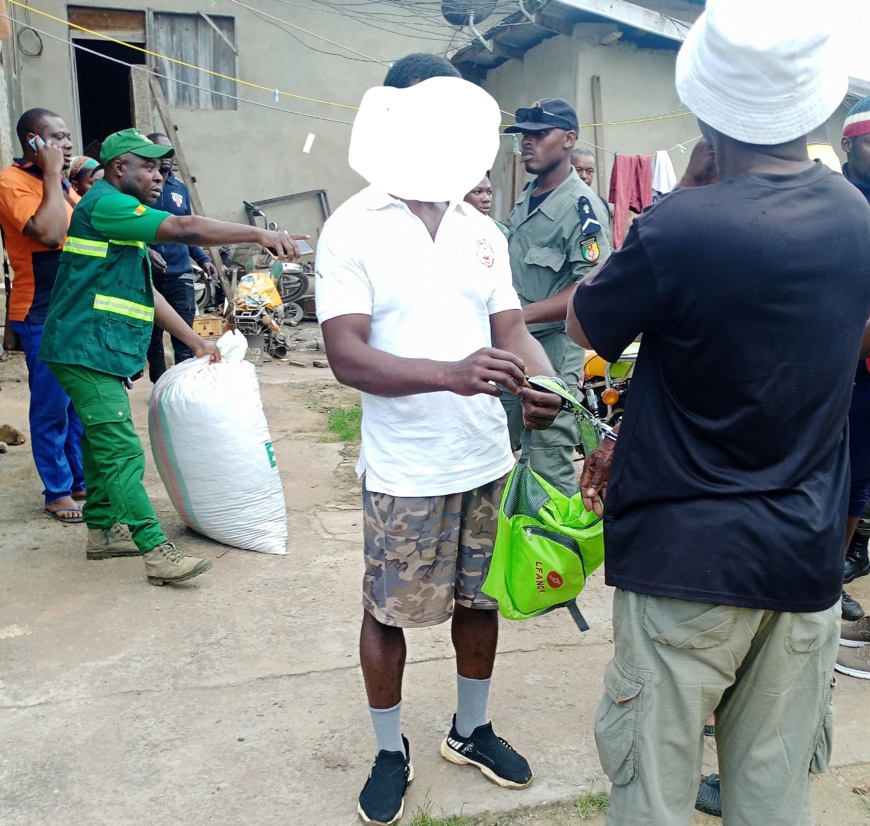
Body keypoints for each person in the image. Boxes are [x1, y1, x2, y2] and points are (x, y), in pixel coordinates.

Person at [568, 2, 870, 823]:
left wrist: (683, 195)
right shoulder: (857, 219)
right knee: (772, 798)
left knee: (653, 796)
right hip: (803, 560)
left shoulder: (680, 228)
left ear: (708, 113)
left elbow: (584, 324)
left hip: (686, 563)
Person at [316, 54, 562, 826]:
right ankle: (390, 751)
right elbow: (346, 356)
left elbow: (513, 328)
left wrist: (543, 383)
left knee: (478, 601)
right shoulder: (352, 228)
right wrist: (449, 375)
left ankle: (471, 728)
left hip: (483, 458)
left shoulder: (478, 226)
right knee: (389, 613)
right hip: (405, 469)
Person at [38, 128, 301, 586]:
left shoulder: (115, 213)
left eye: (162, 168)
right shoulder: (108, 204)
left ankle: (103, 532)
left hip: (97, 347)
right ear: (121, 168)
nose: (159, 177)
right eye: (150, 167)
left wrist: (196, 341)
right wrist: (259, 233)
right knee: (121, 451)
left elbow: (145, 292)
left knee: (101, 447)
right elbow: (183, 228)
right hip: (84, 347)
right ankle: (156, 551)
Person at [503, 98, 612, 496]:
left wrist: (516, 316)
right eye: (524, 135)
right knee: (497, 453)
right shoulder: (527, 195)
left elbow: (590, 286)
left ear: (568, 139)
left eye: (539, 134)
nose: (528, 142)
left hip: (552, 352)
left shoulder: (582, 207)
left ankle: (557, 556)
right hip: (509, 349)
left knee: (548, 466)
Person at [0, 108, 85, 523]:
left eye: (69, 137)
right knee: (51, 407)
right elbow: (49, 235)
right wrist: (52, 175)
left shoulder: (67, 188)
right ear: (32, 141)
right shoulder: (12, 182)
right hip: (41, 313)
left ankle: (77, 479)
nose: (67, 145)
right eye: (57, 137)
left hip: (72, 309)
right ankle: (56, 491)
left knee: (75, 404)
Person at [832, 95, 870, 674]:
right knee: (830, 474)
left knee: (858, 485)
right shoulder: (833, 201)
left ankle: (830, 577)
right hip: (836, 366)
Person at [145, 132, 220, 383]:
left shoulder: (180, 189)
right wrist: (146, 250)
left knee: (185, 334)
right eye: (159, 151)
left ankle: (184, 383)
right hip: (148, 275)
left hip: (179, 274)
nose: (166, 158)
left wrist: (202, 259)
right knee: (152, 337)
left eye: (170, 152)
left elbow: (187, 232)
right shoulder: (140, 189)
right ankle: (160, 384)